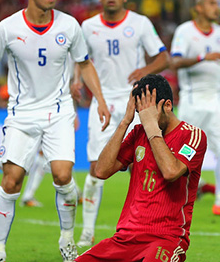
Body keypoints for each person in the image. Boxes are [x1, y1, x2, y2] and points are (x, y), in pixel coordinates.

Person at [0, 0, 110, 262]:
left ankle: (67, 239)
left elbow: (84, 64)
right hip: (21, 115)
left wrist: (100, 99)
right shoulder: (7, 28)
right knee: (11, 182)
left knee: (62, 175)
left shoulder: (70, 26)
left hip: (58, 112)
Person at [77, 0, 170, 247]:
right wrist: (74, 84)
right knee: (96, 167)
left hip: (136, 101)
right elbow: (80, 61)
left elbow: (164, 57)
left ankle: (145, 223)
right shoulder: (88, 26)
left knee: (142, 166)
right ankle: (87, 231)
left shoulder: (140, 23)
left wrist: (146, 70)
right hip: (102, 102)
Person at [76, 74, 207, 262]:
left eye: (149, 114)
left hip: (166, 239)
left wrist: (151, 125)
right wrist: (124, 123)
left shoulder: (193, 136)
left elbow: (171, 172)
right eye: (140, 114)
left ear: (167, 106)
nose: (143, 120)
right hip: (125, 239)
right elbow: (101, 171)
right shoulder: (138, 132)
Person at [171, 0, 220, 216]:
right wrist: (203, 57)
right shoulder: (184, 31)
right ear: (199, 8)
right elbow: (174, 61)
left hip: (217, 99)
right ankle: (175, 200)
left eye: (217, 3)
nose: (217, 8)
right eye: (212, 4)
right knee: (184, 152)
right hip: (194, 100)